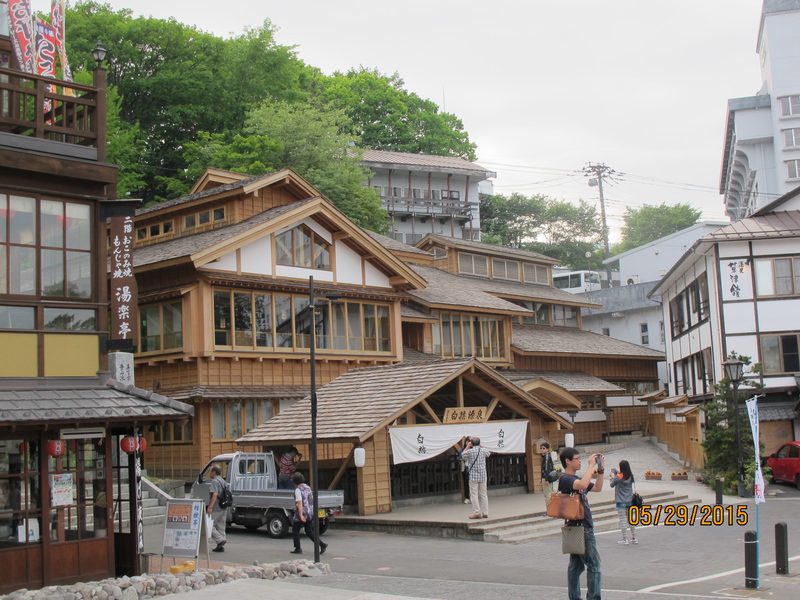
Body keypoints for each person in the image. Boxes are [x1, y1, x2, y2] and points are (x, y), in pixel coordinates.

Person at [558, 447, 604, 600]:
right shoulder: (566, 479)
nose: (580, 462)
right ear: (568, 461)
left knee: (575, 567)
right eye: (577, 459)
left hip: (579, 527)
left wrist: (600, 470)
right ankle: (593, 597)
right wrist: (591, 466)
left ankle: (574, 597)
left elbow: (597, 488)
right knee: (594, 566)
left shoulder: (576, 479)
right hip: (581, 527)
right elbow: (583, 485)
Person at [289, 472, 327, 555]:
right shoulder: (308, 488)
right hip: (309, 511)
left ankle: (298, 548)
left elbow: (299, 502)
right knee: (309, 531)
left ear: (295, 481)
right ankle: (321, 544)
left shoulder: (298, 490)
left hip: (302, 512)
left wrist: (300, 515)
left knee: (295, 530)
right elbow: (311, 500)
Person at [461, 436, 491, 519]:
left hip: (474, 475)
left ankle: (476, 512)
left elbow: (462, 455)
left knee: (474, 494)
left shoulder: (470, 451)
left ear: (471, 443)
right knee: (483, 494)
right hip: (483, 475)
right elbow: (489, 453)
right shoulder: (483, 450)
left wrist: (467, 446)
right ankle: (485, 512)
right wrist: (481, 446)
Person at [610, 459, 638, 545]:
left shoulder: (618, 477)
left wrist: (612, 476)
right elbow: (625, 476)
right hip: (630, 500)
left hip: (621, 500)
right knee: (631, 520)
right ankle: (634, 537)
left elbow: (611, 484)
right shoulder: (631, 476)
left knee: (623, 520)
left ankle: (625, 538)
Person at [206, 465, 227, 552]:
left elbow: (214, 494)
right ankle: (221, 545)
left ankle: (220, 540)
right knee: (221, 526)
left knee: (209, 525)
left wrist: (210, 507)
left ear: (214, 472)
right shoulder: (222, 480)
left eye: (210, 471)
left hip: (216, 507)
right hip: (224, 506)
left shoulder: (215, 481)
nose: (209, 473)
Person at [540, 442, 556, 508]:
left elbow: (546, 469)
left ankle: (550, 509)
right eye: (541, 448)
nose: (542, 450)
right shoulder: (546, 456)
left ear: (547, 449)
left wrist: (546, 479)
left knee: (548, 495)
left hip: (547, 478)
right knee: (548, 494)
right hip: (547, 478)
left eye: (544, 448)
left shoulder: (546, 457)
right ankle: (551, 508)